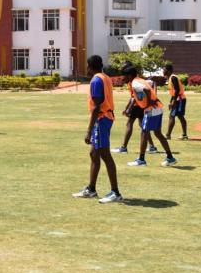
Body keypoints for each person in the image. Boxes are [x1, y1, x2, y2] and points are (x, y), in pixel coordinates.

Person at [72, 55, 123, 203]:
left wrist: (88, 131)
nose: (87, 69)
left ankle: (115, 192)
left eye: (87, 66)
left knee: (105, 154)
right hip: (106, 117)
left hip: (101, 119)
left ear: (90, 66)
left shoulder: (96, 80)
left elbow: (96, 107)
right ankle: (91, 189)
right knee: (94, 153)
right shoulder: (105, 77)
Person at [122, 66, 177, 167]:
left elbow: (146, 90)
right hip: (157, 108)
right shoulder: (139, 80)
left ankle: (141, 160)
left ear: (129, 76)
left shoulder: (135, 83)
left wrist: (148, 102)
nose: (123, 78)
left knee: (144, 132)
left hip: (151, 109)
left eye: (124, 76)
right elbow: (151, 84)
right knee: (157, 133)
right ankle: (170, 157)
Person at [112, 62, 157, 154]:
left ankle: (124, 147)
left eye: (124, 68)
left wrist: (129, 108)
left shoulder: (133, 81)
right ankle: (152, 146)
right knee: (143, 126)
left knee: (129, 124)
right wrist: (127, 107)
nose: (122, 70)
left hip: (137, 105)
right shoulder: (134, 80)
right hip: (141, 105)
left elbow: (134, 97)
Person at [163, 63, 189, 140]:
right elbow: (174, 92)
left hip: (179, 99)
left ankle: (168, 135)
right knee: (180, 116)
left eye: (164, 69)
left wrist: (173, 101)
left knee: (172, 116)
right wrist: (170, 101)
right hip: (179, 99)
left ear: (168, 70)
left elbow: (177, 90)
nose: (163, 71)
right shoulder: (171, 78)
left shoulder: (173, 77)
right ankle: (184, 135)